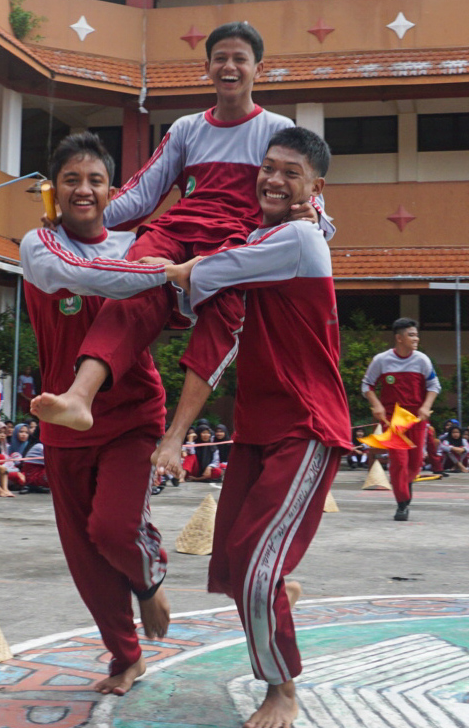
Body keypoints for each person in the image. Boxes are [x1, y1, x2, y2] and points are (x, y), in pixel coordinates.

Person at [36, 22, 328, 435]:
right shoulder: (187, 128)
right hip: (177, 230)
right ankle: (79, 396)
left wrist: (318, 218)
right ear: (206, 66)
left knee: (223, 316)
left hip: (234, 240)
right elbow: (140, 195)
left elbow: (305, 190)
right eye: (221, 58)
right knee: (132, 281)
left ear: (258, 69)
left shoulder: (277, 130)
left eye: (239, 59)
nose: (229, 66)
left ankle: (175, 435)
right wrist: (76, 217)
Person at [153, 125, 350, 728]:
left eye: (290, 172)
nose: (272, 179)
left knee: (258, 571)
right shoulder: (273, 232)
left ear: (314, 187)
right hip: (258, 429)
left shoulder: (295, 240)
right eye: (268, 167)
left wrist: (151, 267)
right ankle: (278, 595)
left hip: (306, 424)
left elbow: (203, 276)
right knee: (239, 565)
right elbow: (218, 335)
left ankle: (282, 688)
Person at [21, 131, 176, 695]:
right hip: (63, 421)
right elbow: (87, 277)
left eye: (95, 181)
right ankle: (125, 657)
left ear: (113, 191)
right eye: (71, 180)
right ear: (53, 190)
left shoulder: (132, 246)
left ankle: (148, 573)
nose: (83, 190)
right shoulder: (38, 246)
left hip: (132, 413)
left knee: (112, 530)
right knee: (85, 558)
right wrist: (162, 271)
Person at [361, 318, 440, 520]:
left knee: (415, 464)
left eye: (416, 334)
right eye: (411, 335)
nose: (416, 338)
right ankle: (402, 504)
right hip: (392, 420)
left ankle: (405, 495)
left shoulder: (422, 360)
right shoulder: (382, 360)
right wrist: (376, 404)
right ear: (399, 338)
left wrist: (425, 406)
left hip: (416, 418)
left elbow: (434, 386)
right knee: (398, 462)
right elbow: (367, 385)